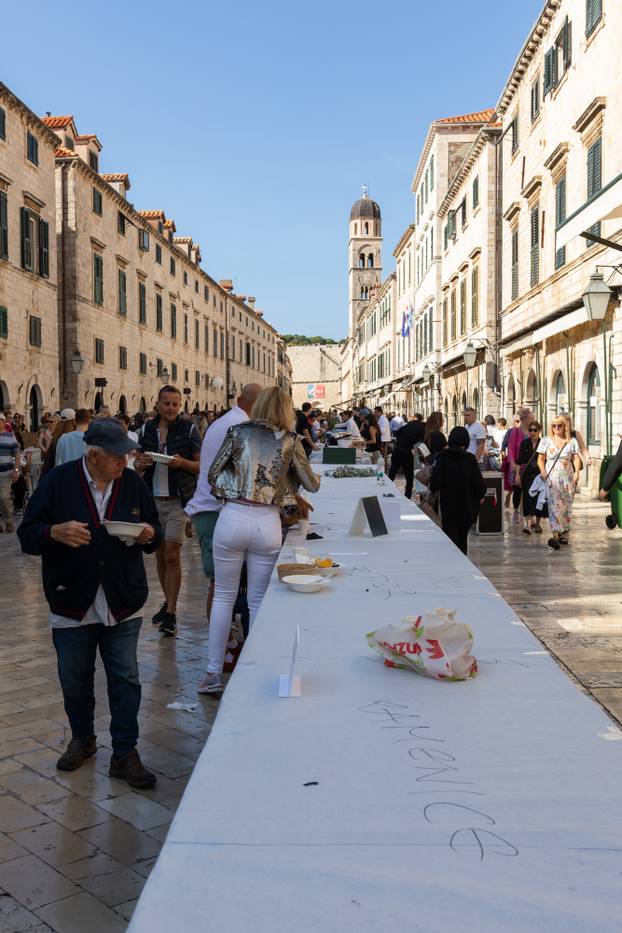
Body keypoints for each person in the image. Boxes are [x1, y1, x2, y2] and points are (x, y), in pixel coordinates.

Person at [17, 419, 161, 787]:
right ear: (94, 455)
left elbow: (154, 531)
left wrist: (147, 535)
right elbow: (27, 535)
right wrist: (53, 532)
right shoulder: (58, 481)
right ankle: (83, 739)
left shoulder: (131, 483)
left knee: (126, 679)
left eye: (127, 456)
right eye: (117, 457)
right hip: (72, 597)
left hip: (122, 599)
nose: (124, 463)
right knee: (74, 679)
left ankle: (125, 752)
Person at [199, 387, 321, 695]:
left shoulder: (237, 432)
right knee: (257, 601)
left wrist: (240, 485)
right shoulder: (291, 441)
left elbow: (213, 474)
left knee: (224, 598)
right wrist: (282, 483)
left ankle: (213, 673)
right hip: (267, 522)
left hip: (232, 516)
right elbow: (312, 485)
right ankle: (254, 669)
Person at [185, 384, 262, 624]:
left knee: (222, 586)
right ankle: (221, 647)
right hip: (214, 510)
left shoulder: (227, 421)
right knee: (220, 586)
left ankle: (225, 645)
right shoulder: (239, 426)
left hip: (212, 509)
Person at [135, 385, 201, 637]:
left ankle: (172, 612)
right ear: (158, 404)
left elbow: (200, 466)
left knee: (172, 554)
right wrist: (140, 464)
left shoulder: (189, 429)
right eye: (166, 403)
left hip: (177, 500)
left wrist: (181, 462)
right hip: (152, 501)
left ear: (180, 406)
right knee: (160, 555)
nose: (171, 408)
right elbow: (138, 464)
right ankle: (167, 601)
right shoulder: (146, 430)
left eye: (175, 404)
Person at [429, 426, 487, 555]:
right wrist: (481, 496)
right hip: (467, 507)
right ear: (466, 441)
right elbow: (480, 484)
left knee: (451, 540)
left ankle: (453, 567)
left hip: (448, 508)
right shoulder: (470, 459)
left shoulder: (443, 458)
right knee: (462, 540)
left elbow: (435, 484)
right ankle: (463, 565)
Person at [537, 416, 581, 550]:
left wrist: (577, 472)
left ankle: (564, 532)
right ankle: (555, 534)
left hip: (567, 479)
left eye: (559, 426)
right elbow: (540, 459)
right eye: (554, 425)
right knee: (554, 506)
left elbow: (576, 458)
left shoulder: (571, 441)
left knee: (566, 506)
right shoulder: (545, 440)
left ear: (564, 427)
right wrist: (543, 472)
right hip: (552, 478)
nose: (556, 428)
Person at [516, 421, 546, 534]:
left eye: (535, 430)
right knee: (527, 500)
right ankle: (528, 525)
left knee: (539, 499)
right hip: (527, 475)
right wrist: (518, 475)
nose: (532, 432)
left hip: (539, 475)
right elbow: (519, 461)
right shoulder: (525, 443)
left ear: (539, 431)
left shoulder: (543, 443)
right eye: (530, 430)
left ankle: (537, 524)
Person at [502, 409, 531, 521]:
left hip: (528, 466)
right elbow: (510, 448)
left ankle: (524, 509)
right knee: (517, 489)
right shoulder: (514, 432)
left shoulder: (532, 430)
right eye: (517, 421)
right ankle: (515, 510)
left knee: (526, 489)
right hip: (516, 466)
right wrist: (513, 462)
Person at [388, 414, 426, 498]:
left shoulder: (409, 424)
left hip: (397, 450)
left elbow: (397, 433)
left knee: (392, 473)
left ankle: (386, 491)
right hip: (407, 453)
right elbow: (421, 441)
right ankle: (407, 497)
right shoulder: (423, 428)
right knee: (409, 477)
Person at [0, 413, 20, 532]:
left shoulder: (10, 436)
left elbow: (17, 453)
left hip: (6, 472)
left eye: (0, 421)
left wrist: (16, 470)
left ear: (3, 422)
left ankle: (8, 520)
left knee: (4, 497)